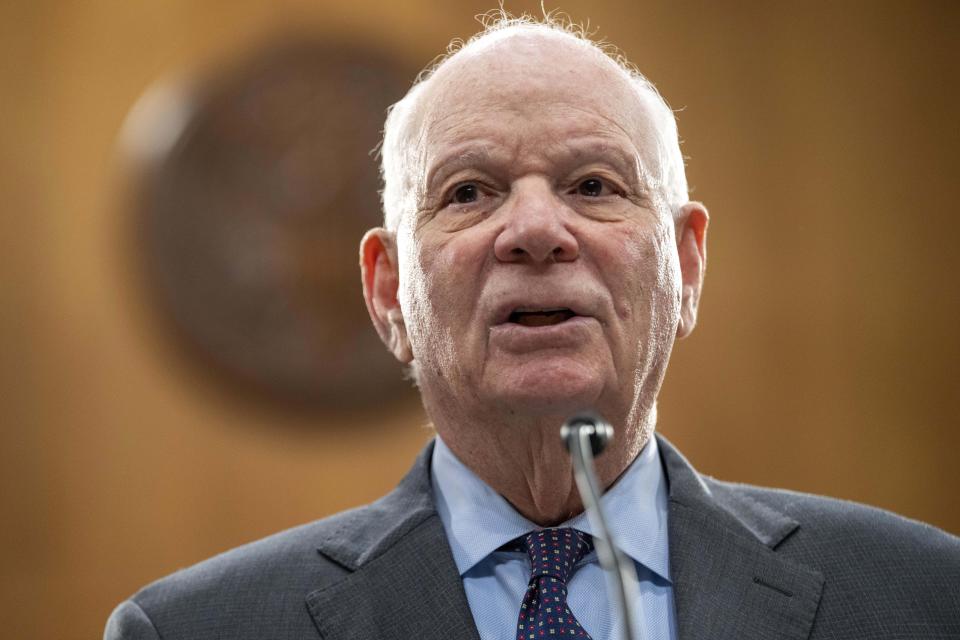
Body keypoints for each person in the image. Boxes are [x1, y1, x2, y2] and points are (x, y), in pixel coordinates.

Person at [104, 15, 960, 640]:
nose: (536, 229)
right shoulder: (197, 629)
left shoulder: (921, 597)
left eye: (593, 185)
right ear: (389, 289)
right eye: (469, 192)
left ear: (686, 266)